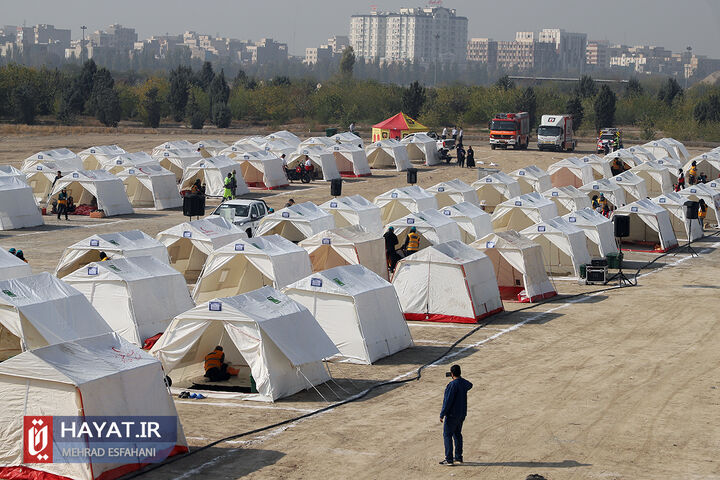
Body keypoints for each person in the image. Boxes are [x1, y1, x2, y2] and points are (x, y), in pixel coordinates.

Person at [439, 364, 473, 466]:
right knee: (457, 434)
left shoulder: (452, 385)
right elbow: (470, 384)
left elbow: (448, 401)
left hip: (452, 415)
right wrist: (459, 378)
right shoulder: (463, 383)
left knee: (447, 435)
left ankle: (449, 459)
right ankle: (458, 457)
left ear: (452, 374)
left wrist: (442, 414)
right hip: (462, 414)